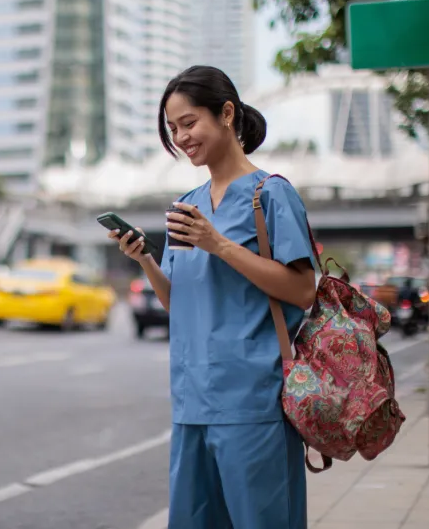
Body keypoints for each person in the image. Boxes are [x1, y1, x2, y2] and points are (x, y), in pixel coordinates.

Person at [106, 65, 316, 529]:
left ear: (226, 113)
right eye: (173, 128)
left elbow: (302, 290)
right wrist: (145, 261)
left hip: (254, 403)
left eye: (188, 123)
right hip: (191, 403)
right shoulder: (188, 205)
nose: (180, 137)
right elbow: (181, 304)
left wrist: (218, 243)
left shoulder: (271, 195)